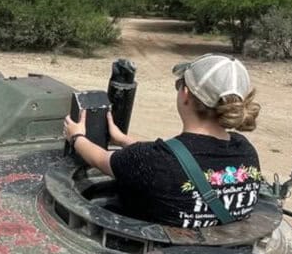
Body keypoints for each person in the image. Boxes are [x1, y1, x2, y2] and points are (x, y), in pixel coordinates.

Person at [63, 54, 262, 229]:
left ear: (185, 94)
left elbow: (99, 159)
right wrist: (124, 140)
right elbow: (170, 159)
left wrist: (76, 136)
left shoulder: (154, 161)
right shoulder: (246, 151)